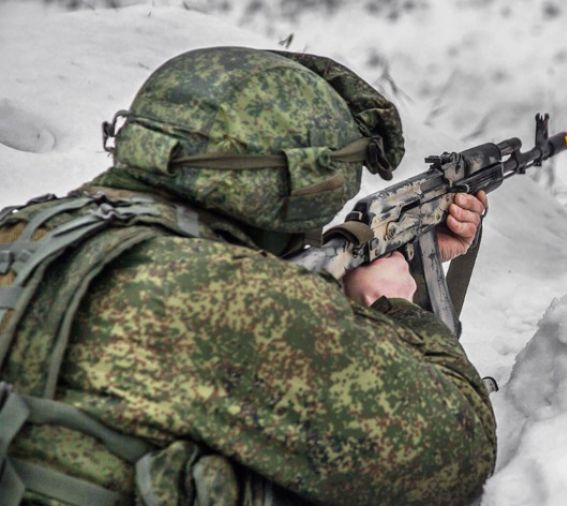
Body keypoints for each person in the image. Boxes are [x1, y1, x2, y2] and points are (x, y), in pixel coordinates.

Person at [0, 47, 496, 505]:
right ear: (295, 182)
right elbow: (458, 450)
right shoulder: (238, 299)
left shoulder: (26, 231)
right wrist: (395, 306)